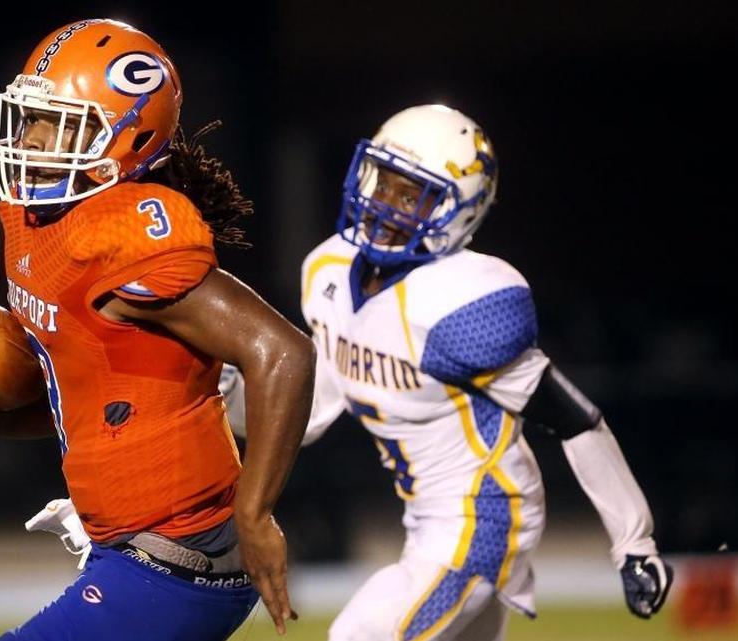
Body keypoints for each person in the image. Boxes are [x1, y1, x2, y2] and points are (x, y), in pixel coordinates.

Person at [0, 19, 315, 641]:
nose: (33, 137)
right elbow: (69, 402)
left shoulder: (125, 234)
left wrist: (255, 514)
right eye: (31, 116)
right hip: (130, 546)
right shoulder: (34, 222)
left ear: (123, 141)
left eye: (58, 122)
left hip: (180, 553)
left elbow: (283, 352)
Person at [221, 104, 674, 640]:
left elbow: (575, 420)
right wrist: (229, 395)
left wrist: (634, 540)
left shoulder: (463, 306)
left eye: (410, 195)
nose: (385, 204)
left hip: (484, 516)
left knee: (359, 635)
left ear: (459, 211)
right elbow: (311, 411)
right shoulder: (329, 270)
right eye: (383, 183)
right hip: (425, 522)